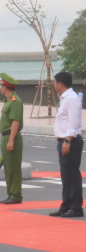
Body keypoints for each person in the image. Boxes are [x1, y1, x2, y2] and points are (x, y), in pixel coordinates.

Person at [50, 71, 83, 217]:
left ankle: (76, 207)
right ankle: (66, 204)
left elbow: (74, 121)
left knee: (72, 175)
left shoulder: (72, 98)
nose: (54, 84)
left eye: (55, 82)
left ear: (60, 84)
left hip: (70, 140)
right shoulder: (65, 98)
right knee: (65, 175)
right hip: (63, 140)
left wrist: (68, 140)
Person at [0, 73, 24, 204]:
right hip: (6, 136)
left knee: (13, 167)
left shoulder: (15, 101)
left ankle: (15, 195)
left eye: (1, 85)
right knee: (8, 167)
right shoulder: (9, 101)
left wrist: (11, 140)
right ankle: (11, 194)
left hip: (11, 136)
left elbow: (15, 122)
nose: (0, 88)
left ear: (4, 87)